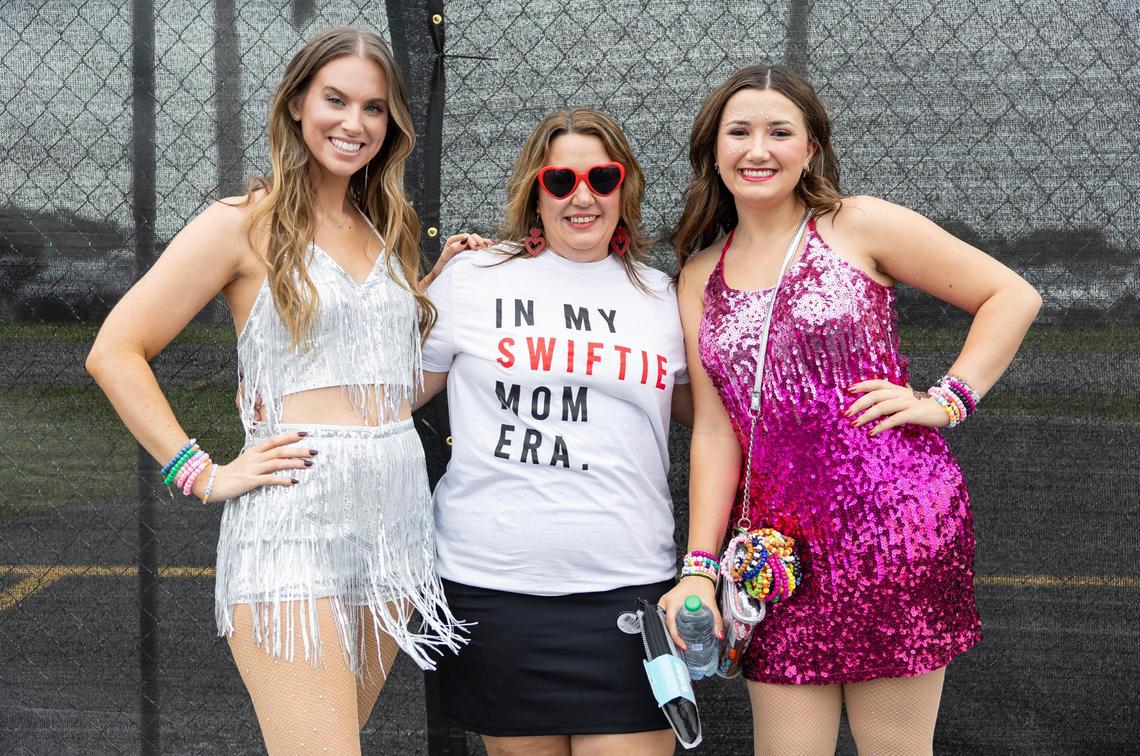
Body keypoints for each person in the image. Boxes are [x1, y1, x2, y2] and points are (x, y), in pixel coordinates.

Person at [85, 27, 470, 753]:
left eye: (374, 109)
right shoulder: (240, 224)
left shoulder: (386, 224)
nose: (353, 124)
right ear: (296, 103)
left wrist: (456, 287)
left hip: (392, 520)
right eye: (336, 100)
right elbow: (115, 352)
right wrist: (201, 473)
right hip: (295, 522)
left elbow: (384, 386)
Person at [659, 65, 1042, 755]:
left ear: (810, 148)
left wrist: (945, 400)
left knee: (893, 747)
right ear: (713, 149)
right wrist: (700, 565)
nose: (758, 149)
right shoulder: (699, 274)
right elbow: (715, 432)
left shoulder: (855, 224)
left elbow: (1011, 296)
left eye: (781, 132)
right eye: (739, 131)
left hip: (895, 535)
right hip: (775, 561)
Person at [415, 108, 691, 756]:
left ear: (625, 186)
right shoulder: (474, 279)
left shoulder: (662, 296)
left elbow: (717, 421)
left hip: (628, 590)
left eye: (601, 176)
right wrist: (425, 289)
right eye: (561, 180)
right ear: (535, 191)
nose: (583, 196)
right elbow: (389, 394)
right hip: (496, 589)